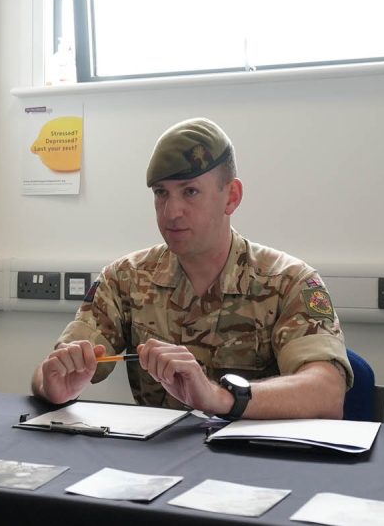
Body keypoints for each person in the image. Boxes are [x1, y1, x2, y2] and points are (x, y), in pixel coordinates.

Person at [31, 117, 352, 421]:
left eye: (190, 192)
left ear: (232, 197)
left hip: (255, 464)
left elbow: (327, 393)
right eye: (161, 194)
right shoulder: (125, 279)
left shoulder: (288, 282)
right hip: (158, 466)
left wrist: (221, 397)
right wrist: (54, 386)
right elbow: (52, 369)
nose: (172, 212)